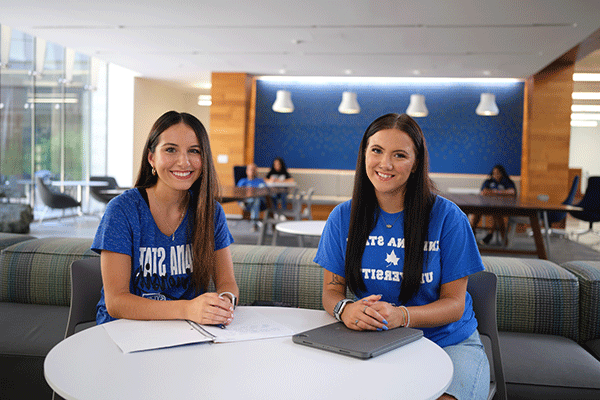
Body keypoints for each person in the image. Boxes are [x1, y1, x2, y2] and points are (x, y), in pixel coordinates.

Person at [314, 113, 489, 400]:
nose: (385, 164)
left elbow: (455, 305)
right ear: (364, 154)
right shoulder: (342, 217)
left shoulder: (448, 218)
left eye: (399, 155)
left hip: (448, 343)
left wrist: (401, 316)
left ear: (416, 162)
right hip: (373, 342)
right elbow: (331, 291)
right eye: (377, 151)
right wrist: (345, 309)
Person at [93, 111, 238, 326]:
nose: (184, 161)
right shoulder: (122, 210)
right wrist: (187, 308)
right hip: (123, 331)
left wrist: (225, 302)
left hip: (184, 330)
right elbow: (116, 302)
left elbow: (227, 282)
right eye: (171, 150)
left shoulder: (211, 213)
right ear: (152, 157)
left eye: (194, 151)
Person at [470, 164, 516, 245]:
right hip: (486, 205)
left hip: (503, 207)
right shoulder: (488, 182)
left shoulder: (507, 182)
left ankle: (492, 236)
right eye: (494, 173)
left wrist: (495, 192)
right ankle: (471, 237)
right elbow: (484, 192)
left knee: (497, 215)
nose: (496, 175)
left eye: (498, 173)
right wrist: (501, 193)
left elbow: (512, 192)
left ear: (502, 173)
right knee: (475, 214)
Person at [236, 163, 267, 231]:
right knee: (255, 201)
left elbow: (265, 191)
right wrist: (240, 202)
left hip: (260, 203)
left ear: (256, 171)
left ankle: (254, 224)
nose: (252, 171)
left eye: (254, 170)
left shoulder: (260, 181)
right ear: (247, 171)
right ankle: (254, 224)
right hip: (245, 203)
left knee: (256, 200)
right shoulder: (242, 181)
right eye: (250, 169)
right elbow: (237, 193)